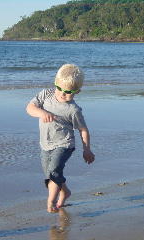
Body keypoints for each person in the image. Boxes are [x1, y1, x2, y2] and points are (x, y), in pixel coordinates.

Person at [26, 64, 95, 213]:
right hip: (45, 144)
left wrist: (87, 149)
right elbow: (30, 108)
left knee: (53, 171)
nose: (63, 94)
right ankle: (65, 192)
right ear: (55, 83)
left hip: (65, 144)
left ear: (77, 91)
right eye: (60, 88)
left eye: (68, 92)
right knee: (51, 174)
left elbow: (83, 130)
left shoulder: (73, 110)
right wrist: (42, 113)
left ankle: (51, 202)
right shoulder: (46, 94)